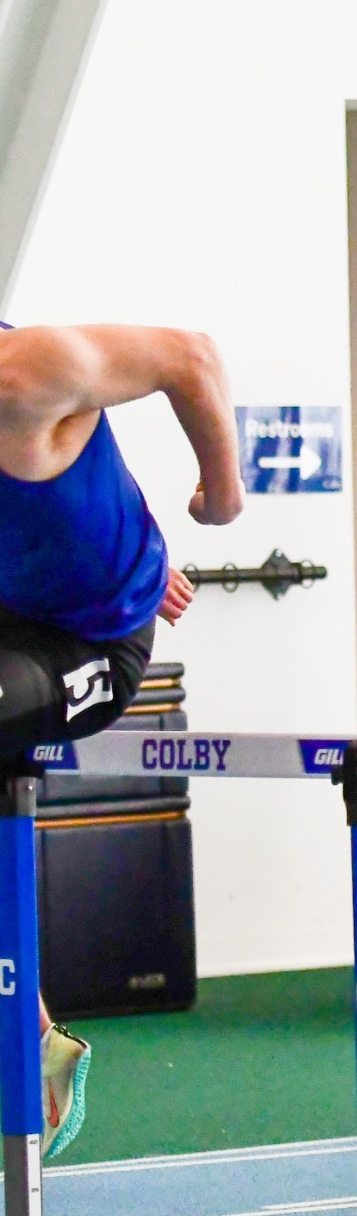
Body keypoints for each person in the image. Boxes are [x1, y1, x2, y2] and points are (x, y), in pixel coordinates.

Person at [0, 321, 240, 1159]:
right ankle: (33, 1034)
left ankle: (30, 1037)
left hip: (98, 644)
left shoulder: (29, 371)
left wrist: (223, 492)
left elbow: (191, 356)